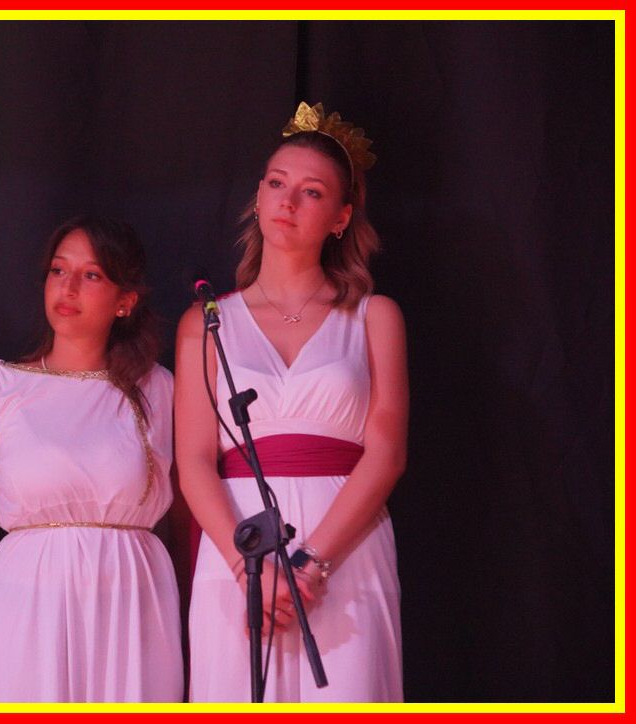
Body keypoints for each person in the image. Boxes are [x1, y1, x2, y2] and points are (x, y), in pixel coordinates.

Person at [175, 102, 407, 702]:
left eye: (312, 192)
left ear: (341, 217)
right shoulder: (206, 322)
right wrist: (245, 566)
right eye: (277, 184)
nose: (289, 201)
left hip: (346, 550)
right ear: (258, 196)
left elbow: (386, 454)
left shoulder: (374, 316)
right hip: (239, 551)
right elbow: (194, 460)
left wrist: (311, 564)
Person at [0, 216, 182, 702]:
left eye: (91, 275)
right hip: (26, 601)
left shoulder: (159, 388)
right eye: (58, 270)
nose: (68, 287)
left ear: (125, 300)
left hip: (132, 600)